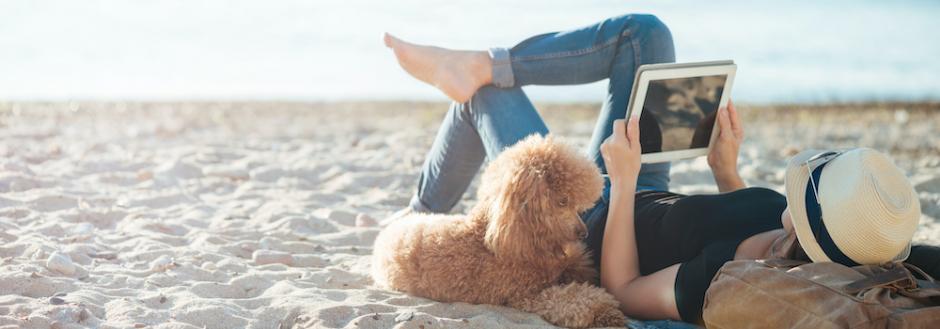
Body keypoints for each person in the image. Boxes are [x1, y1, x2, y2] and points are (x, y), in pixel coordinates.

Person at [382, 14, 940, 326]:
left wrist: (621, 185)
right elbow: (746, 223)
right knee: (646, 35)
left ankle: (419, 213)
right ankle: (485, 65)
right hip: (643, 189)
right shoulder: (796, 236)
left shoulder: (725, 277)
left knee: (481, 100)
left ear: (807, 230)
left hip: (605, 217)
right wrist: (726, 171)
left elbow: (622, 289)